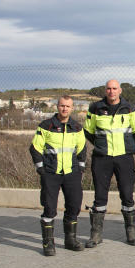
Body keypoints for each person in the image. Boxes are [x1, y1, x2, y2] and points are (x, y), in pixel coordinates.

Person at [83, 79, 135, 247]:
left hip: (124, 157)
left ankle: (131, 233)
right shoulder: (95, 108)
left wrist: (127, 146)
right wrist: (102, 145)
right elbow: (88, 131)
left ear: (120, 90)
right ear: (105, 90)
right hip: (102, 158)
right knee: (100, 196)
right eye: (109, 88)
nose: (111, 91)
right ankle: (95, 235)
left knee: (127, 195)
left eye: (114, 88)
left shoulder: (130, 108)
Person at [29, 95, 87, 256]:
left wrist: (80, 168)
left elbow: (82, 149)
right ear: (57, 107)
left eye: (68, 106)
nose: (64, 109)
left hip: (71, 173)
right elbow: (35, 148)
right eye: (62, 106)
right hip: (51, 173)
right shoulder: (46, 126)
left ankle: (70, 240)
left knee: (74, 206)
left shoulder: (77, 127)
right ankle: (48, 243)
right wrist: (41, 168)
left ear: (72, 108)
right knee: (49, 208)